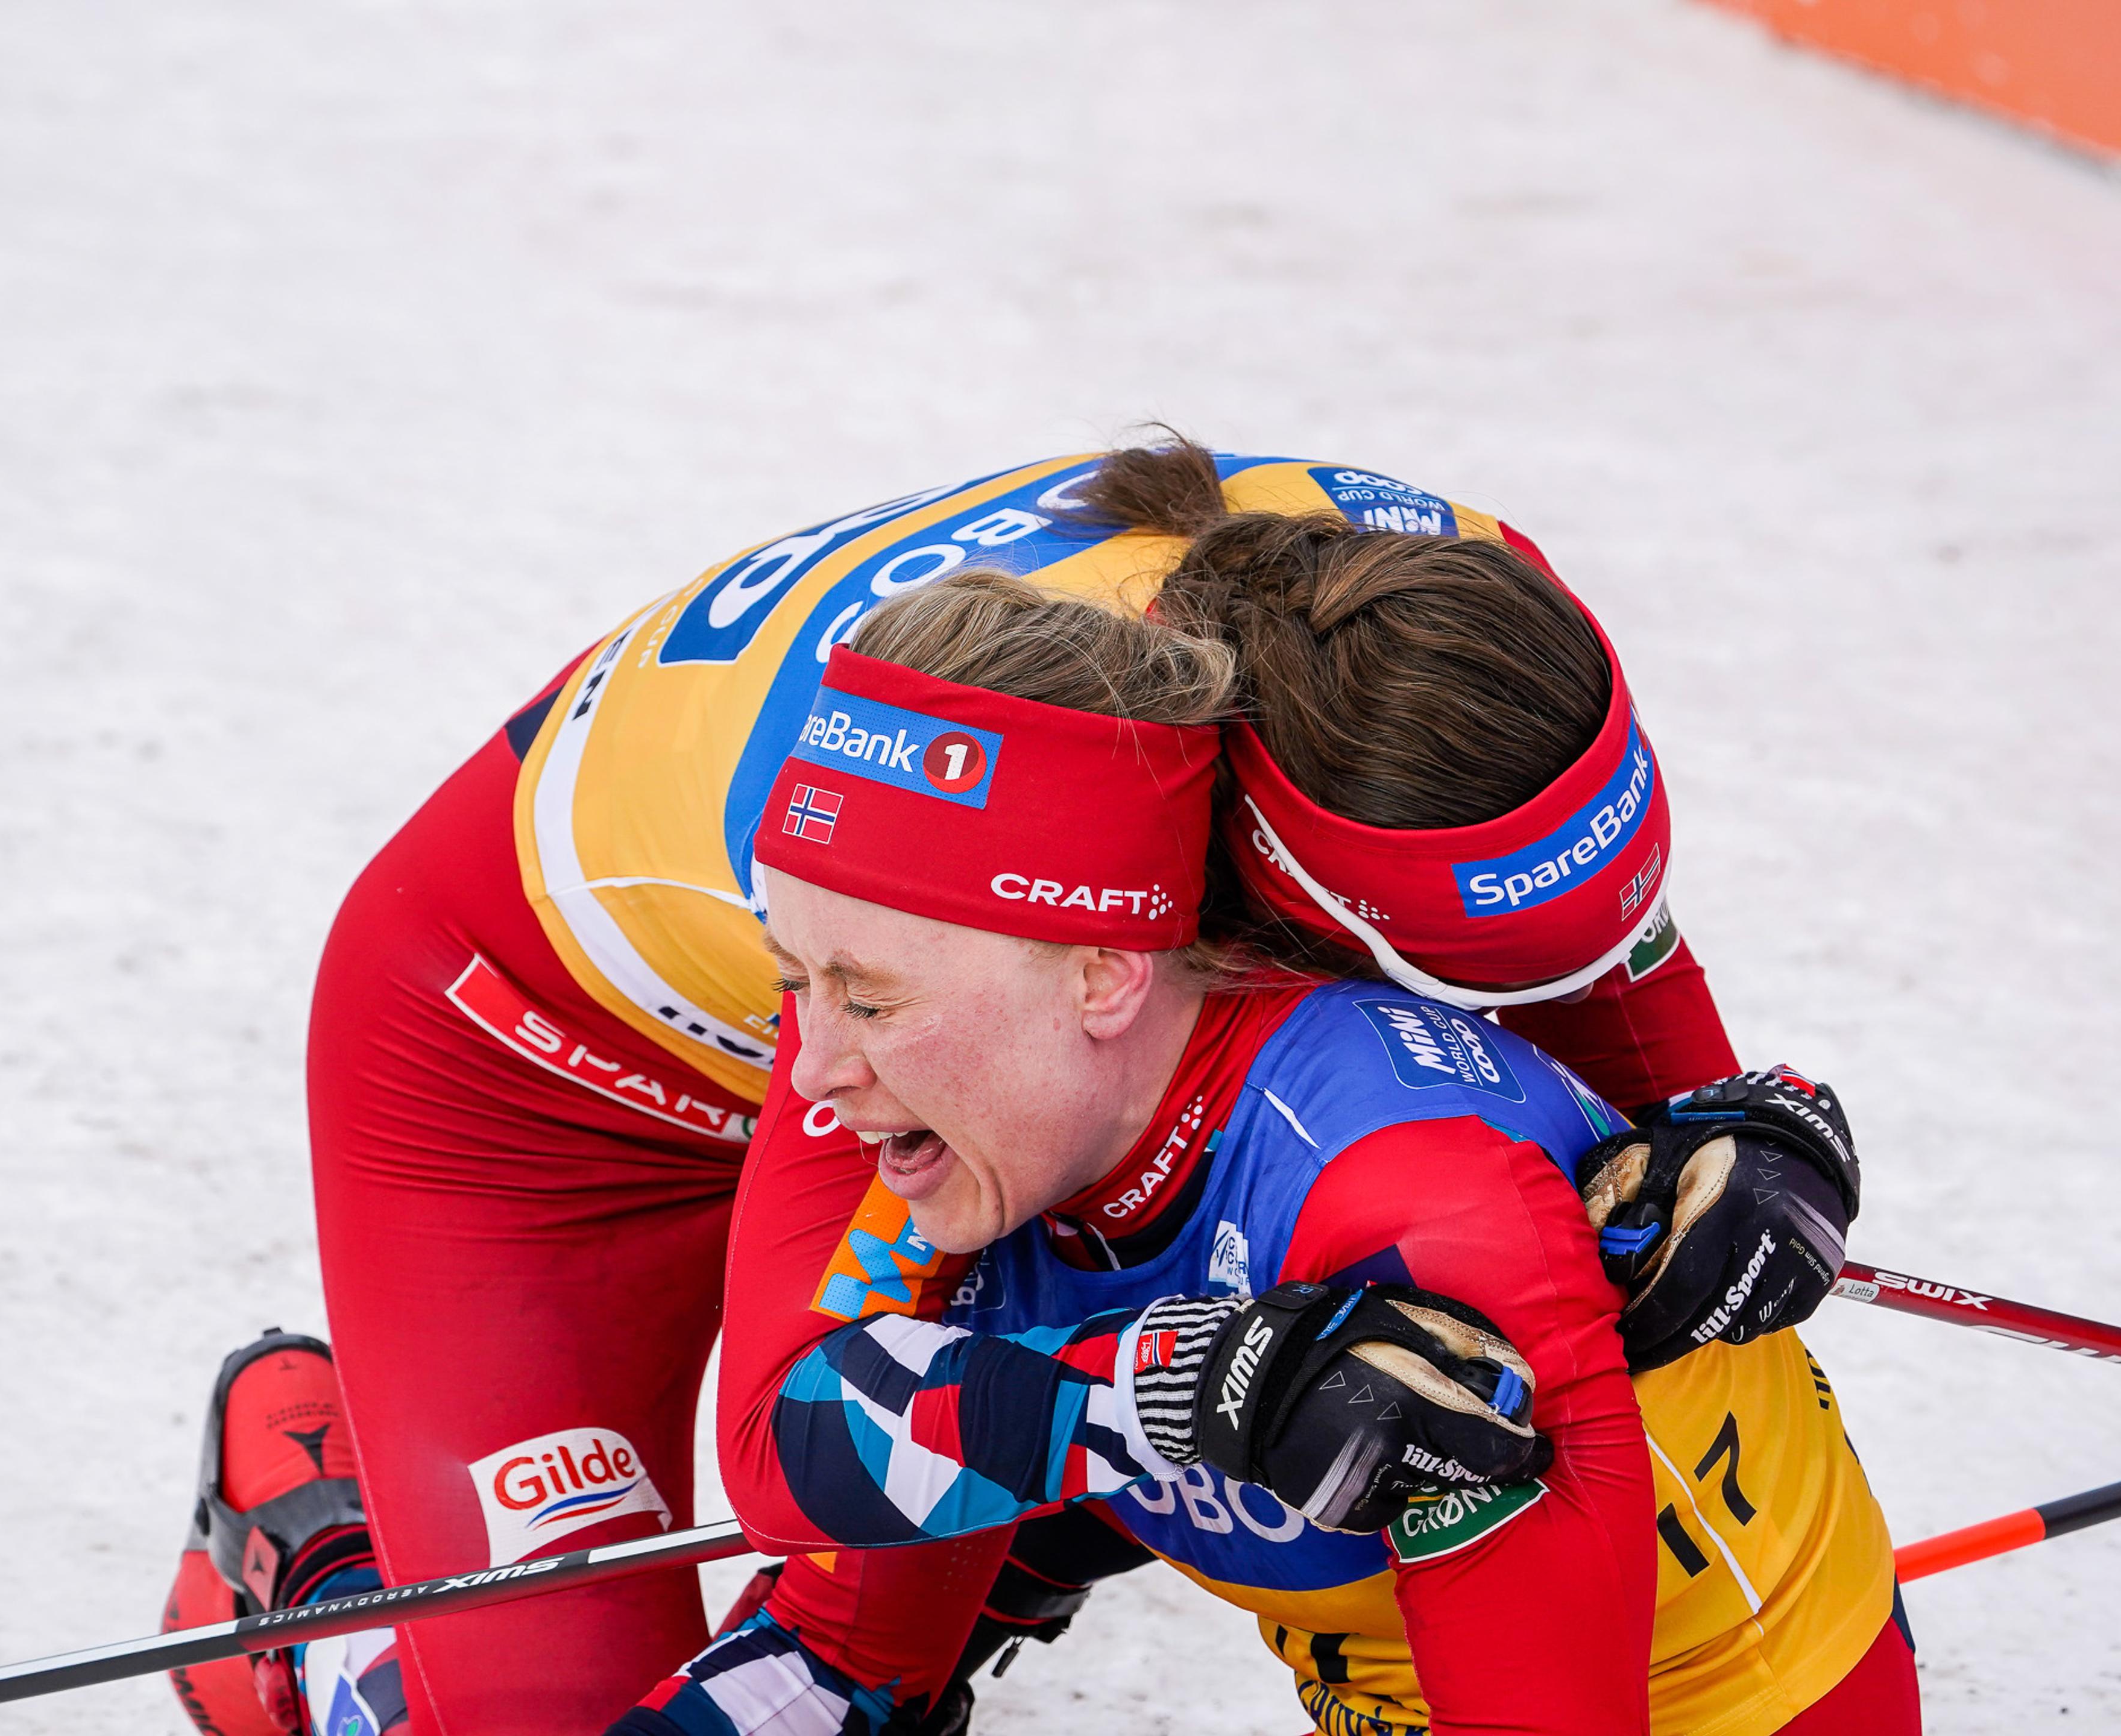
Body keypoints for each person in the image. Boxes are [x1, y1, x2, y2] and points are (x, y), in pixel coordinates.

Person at [157, 444, 1866, 1736]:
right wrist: (1171, 1402)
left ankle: (1036, 1532)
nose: (1494, 1019)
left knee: (1161, 1239)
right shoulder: (922, 868)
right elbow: (803, 1423)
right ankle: (322, 1587)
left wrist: (1731, 1132)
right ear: (1229, 861)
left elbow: (1580, 940)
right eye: (1421, 974)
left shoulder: (1430, 615)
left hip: (953, 1020)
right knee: (746, 1658)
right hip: (525, 1064)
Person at [687, 554, 1911, 1734]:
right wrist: (1172, 1387)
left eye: (867, 1000)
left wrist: (1741, 1113)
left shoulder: (1404, 1190)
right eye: (794, 980)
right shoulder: (912, 1017)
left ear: (1103, 972)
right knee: (971, 1339)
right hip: (1338, 1599)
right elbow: (782, 1439)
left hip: (1711, 1694)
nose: (811, 1073)